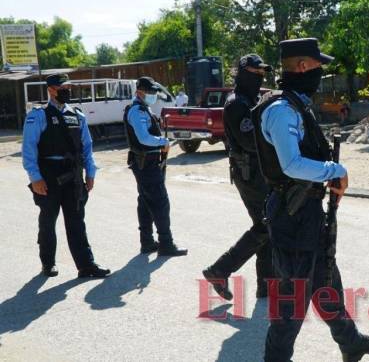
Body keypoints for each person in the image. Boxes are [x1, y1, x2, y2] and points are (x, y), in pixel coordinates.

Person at [253, 38, 369, 362]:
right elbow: (291, 165)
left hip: (308, 214)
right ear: (302, 66)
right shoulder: (281, 111)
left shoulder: (296, 105)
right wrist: (335, 169)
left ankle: (351, 342)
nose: (321, 71)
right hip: (293, 217)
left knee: (326, 281)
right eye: (317, 65)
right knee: (291, 307)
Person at [22, 74, 110, 278]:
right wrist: (35, 177)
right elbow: (29, 149)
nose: (67, 91)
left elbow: (86, 147)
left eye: (69, 87)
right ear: (51, 89)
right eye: (63, 88)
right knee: (48, 221)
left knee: (77, 221)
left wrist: (90, 172)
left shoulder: (77, 115)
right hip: (48, 176)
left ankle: (86, 265)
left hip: (73, 176)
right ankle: (48, 263)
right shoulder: (38, 116)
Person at [203, 54, 274, 299]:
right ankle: (220, 269)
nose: (260, 77)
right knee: (267, 225)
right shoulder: (237, 104)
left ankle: (266, 286)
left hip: (259, 171)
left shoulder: (252, 100)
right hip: (249, 172)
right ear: (244, 73)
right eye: (256, 73)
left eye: (262, 74)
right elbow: (249, 140)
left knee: (266, 226)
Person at [124, 76, 188, 257]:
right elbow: (144, 138)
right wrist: (163, 142)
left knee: (145, 202)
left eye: (154, 92)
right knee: (160, 202)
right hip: (145, 163)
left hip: (147, 161)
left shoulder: (144, 109)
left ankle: (147, 242)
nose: (153, 95)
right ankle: (166, 244)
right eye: (149, 92)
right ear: (139, 92)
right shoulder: (137, 111)